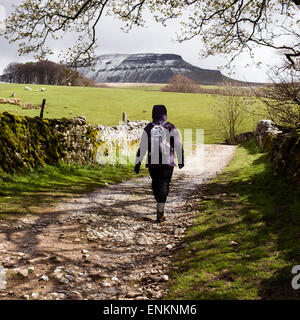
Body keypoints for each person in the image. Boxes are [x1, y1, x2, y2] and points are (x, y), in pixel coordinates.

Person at [134, 105, 184, 223]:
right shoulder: (170, 127)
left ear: (153, 114)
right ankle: (160, 211)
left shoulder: (148, 128)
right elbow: (178, 144)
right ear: (165, 114)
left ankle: (159, 205)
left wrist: (137, 163)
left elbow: (142, 147)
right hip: (168, 163)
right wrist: (181, 159)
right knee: (164, 185)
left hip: (153, 164)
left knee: (156, 184)